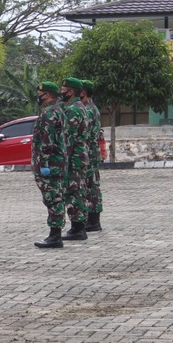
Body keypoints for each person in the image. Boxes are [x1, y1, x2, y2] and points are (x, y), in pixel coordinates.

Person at [32, 81, 68, 248]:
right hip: (58, 163)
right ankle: (56, 234)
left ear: (47, 95)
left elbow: (47, 141)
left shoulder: (49, 113)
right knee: (56, 197)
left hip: (50, 164)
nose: (38, 98)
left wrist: (44, 163)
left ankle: (55, 236)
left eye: (40, 95)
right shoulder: (59, 111)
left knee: (53, 198)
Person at [60, 77, 91, 241]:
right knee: (77, 190)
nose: (61, 93)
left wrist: (63, 161)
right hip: (80, 156)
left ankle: (78, 228)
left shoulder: (73, 110)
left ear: (71, 92)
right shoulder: (80, 107)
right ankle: (78, 227)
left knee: (73, 192)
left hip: (74, 158)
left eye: (63, 91)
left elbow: (68, 139)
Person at [80, 79, 103, 231]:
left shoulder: (88, 110)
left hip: (88, 153)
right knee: (91, 185)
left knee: (90, 186)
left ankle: (93, 221)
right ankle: (93, 220)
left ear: (83, 93)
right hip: (91, 152)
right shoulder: (90, 107)